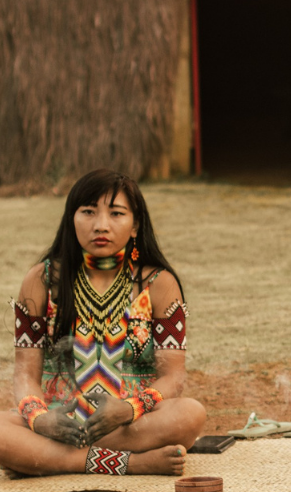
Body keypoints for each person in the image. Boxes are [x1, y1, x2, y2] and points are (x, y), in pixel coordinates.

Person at [1, 170, 205, 476]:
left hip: (130, 422)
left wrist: (129, 408)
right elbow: (25, 374)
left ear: (135, 225)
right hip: (60, 420)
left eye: (116, 213)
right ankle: (131, 464)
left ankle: (47, 459)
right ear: (71, 219)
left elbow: (173, 377)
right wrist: (41, 420)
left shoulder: (158, 283)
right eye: (88, 212)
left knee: (191, 414)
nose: (101, 225)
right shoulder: (41, 280)